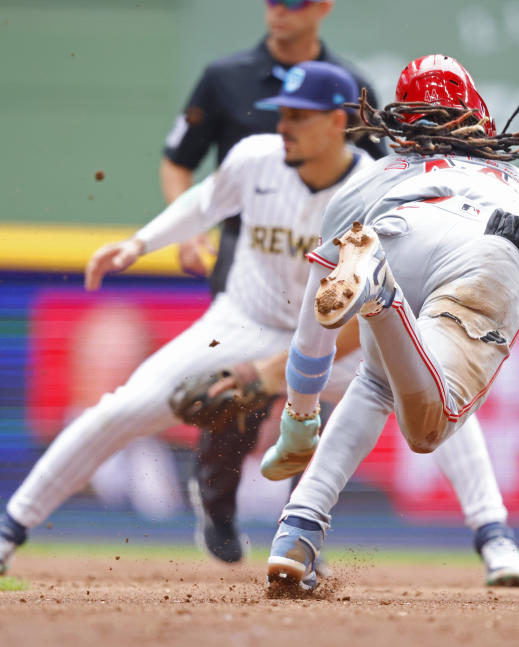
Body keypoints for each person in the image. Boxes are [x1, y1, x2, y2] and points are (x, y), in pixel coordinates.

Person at [0, 61, 519, 587]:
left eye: (297, 116)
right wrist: (138, 244)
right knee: (123, 407)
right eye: (280, 113)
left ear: (337, 122)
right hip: (243, 320)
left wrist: (275, 373)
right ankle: (5, 529)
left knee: (440, 400)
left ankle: (495, 540)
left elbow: (380, 306)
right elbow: (202, 204)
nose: (282, 125)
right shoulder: (255, 158)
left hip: (339, 338)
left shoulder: (380, 187)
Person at [262, 54, 519, 593]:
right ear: (477, 116)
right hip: (489, 246)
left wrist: (300, 420)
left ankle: (298, 531)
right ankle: (380, 294)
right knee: (428, 427)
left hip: (394, 232)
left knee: (380, 380)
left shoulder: (368, 179)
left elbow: (314, 334)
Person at [161, 0, 386, 561]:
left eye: (296, 0)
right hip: (249, 255)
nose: (281, 9)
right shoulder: (225, 77)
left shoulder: (352, 86)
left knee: (308, 406)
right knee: (235, 398)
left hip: (321, 253)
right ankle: (216, 503)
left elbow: (382, 180)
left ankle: (299, 528)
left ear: (323, 8)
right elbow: (178, 160)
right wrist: (188, 229)